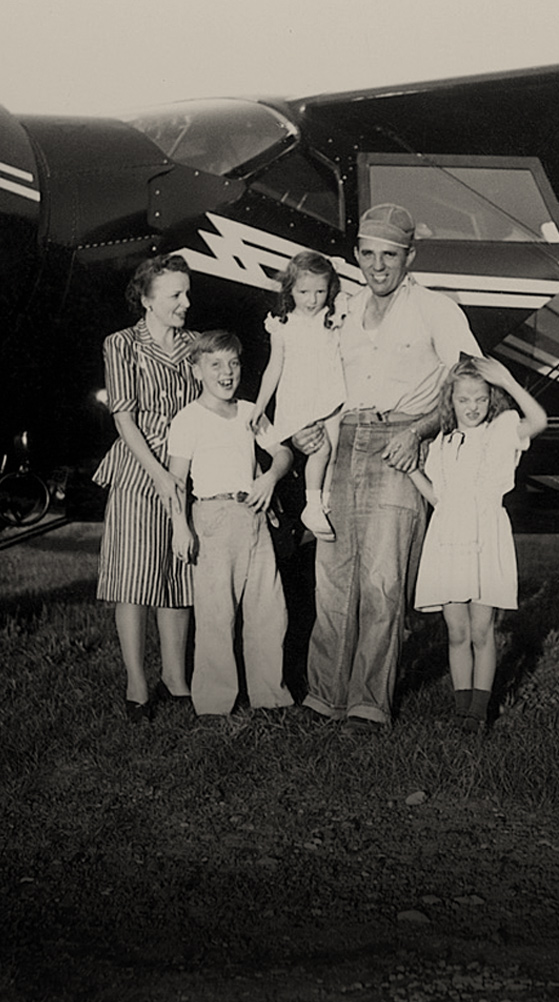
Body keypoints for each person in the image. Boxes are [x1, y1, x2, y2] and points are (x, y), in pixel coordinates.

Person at [295, 204, 481, 733]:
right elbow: (317, 379)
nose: (379, 266)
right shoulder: (342, 309)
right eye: (369, 254)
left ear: (410, 257)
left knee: (382, 583)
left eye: (391, 256)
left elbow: (470, 384)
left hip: (398, 441)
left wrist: (419, 431)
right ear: (356, 255)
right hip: (342, 441)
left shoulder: (436, 310)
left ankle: (368, 705)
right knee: (332, 581)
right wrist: (309, 429)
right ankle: (324, 695)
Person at [409, 356, 547, 732]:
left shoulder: (503, 429)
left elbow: (539, 421)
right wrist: (411, 470)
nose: (472, 407)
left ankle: (479, 711)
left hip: (486, 535)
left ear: (492, 400)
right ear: (450, 402)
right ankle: (461, 708)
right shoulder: (442, 442)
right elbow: (438, 496)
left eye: (480, 399)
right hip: (448, 537)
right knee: (457, 631)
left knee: (482, 630)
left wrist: (508, 379)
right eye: (463, 400)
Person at [93, 254, 199, 722]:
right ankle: (136, 682)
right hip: (140, 468)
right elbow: (123, 416)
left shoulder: (195, 344)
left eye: (187, 292)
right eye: (175, 295)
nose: (185, 303)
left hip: (188, 466)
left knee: (178, 575)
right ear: (146, 299)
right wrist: (159, 474)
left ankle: (175, 677)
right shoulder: (121, 344)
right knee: (133, 578)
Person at [168, 330, 294, 718]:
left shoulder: (249, 411)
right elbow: (176, 481)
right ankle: (214, 702)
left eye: (233, 363)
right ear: (196, 371)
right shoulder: (188, 419)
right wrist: (180, 527)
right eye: (215, 364)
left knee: (268, 610)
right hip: (212, 518)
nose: (227, 373)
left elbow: (284, 452)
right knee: (217, 614)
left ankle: (270, 695)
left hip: (253, 517)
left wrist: (270, 478)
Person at [248, 252, 346, 542]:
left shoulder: (333, 317)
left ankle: (325, 501)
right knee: (322, 449)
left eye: (320, 291)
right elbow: (273, 368)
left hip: (330, 390)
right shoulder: (283, 325)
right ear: (289, 290)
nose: (312, 299)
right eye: (304, 292)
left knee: (337, 446)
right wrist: (261, 404)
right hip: (301, 396)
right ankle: (312, 504)